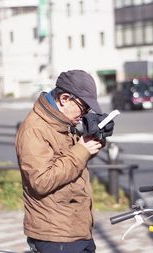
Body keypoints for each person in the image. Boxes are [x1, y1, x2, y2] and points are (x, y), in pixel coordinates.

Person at [16, 70, 113, 253]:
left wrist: (97, 137)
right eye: (83, 107)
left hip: (76, 228)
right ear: (64, 99)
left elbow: (71, 160)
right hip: (55, 234)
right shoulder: (34, 130)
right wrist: (81, 150)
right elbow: (41, 181)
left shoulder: (62, 123)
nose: (84, 114)